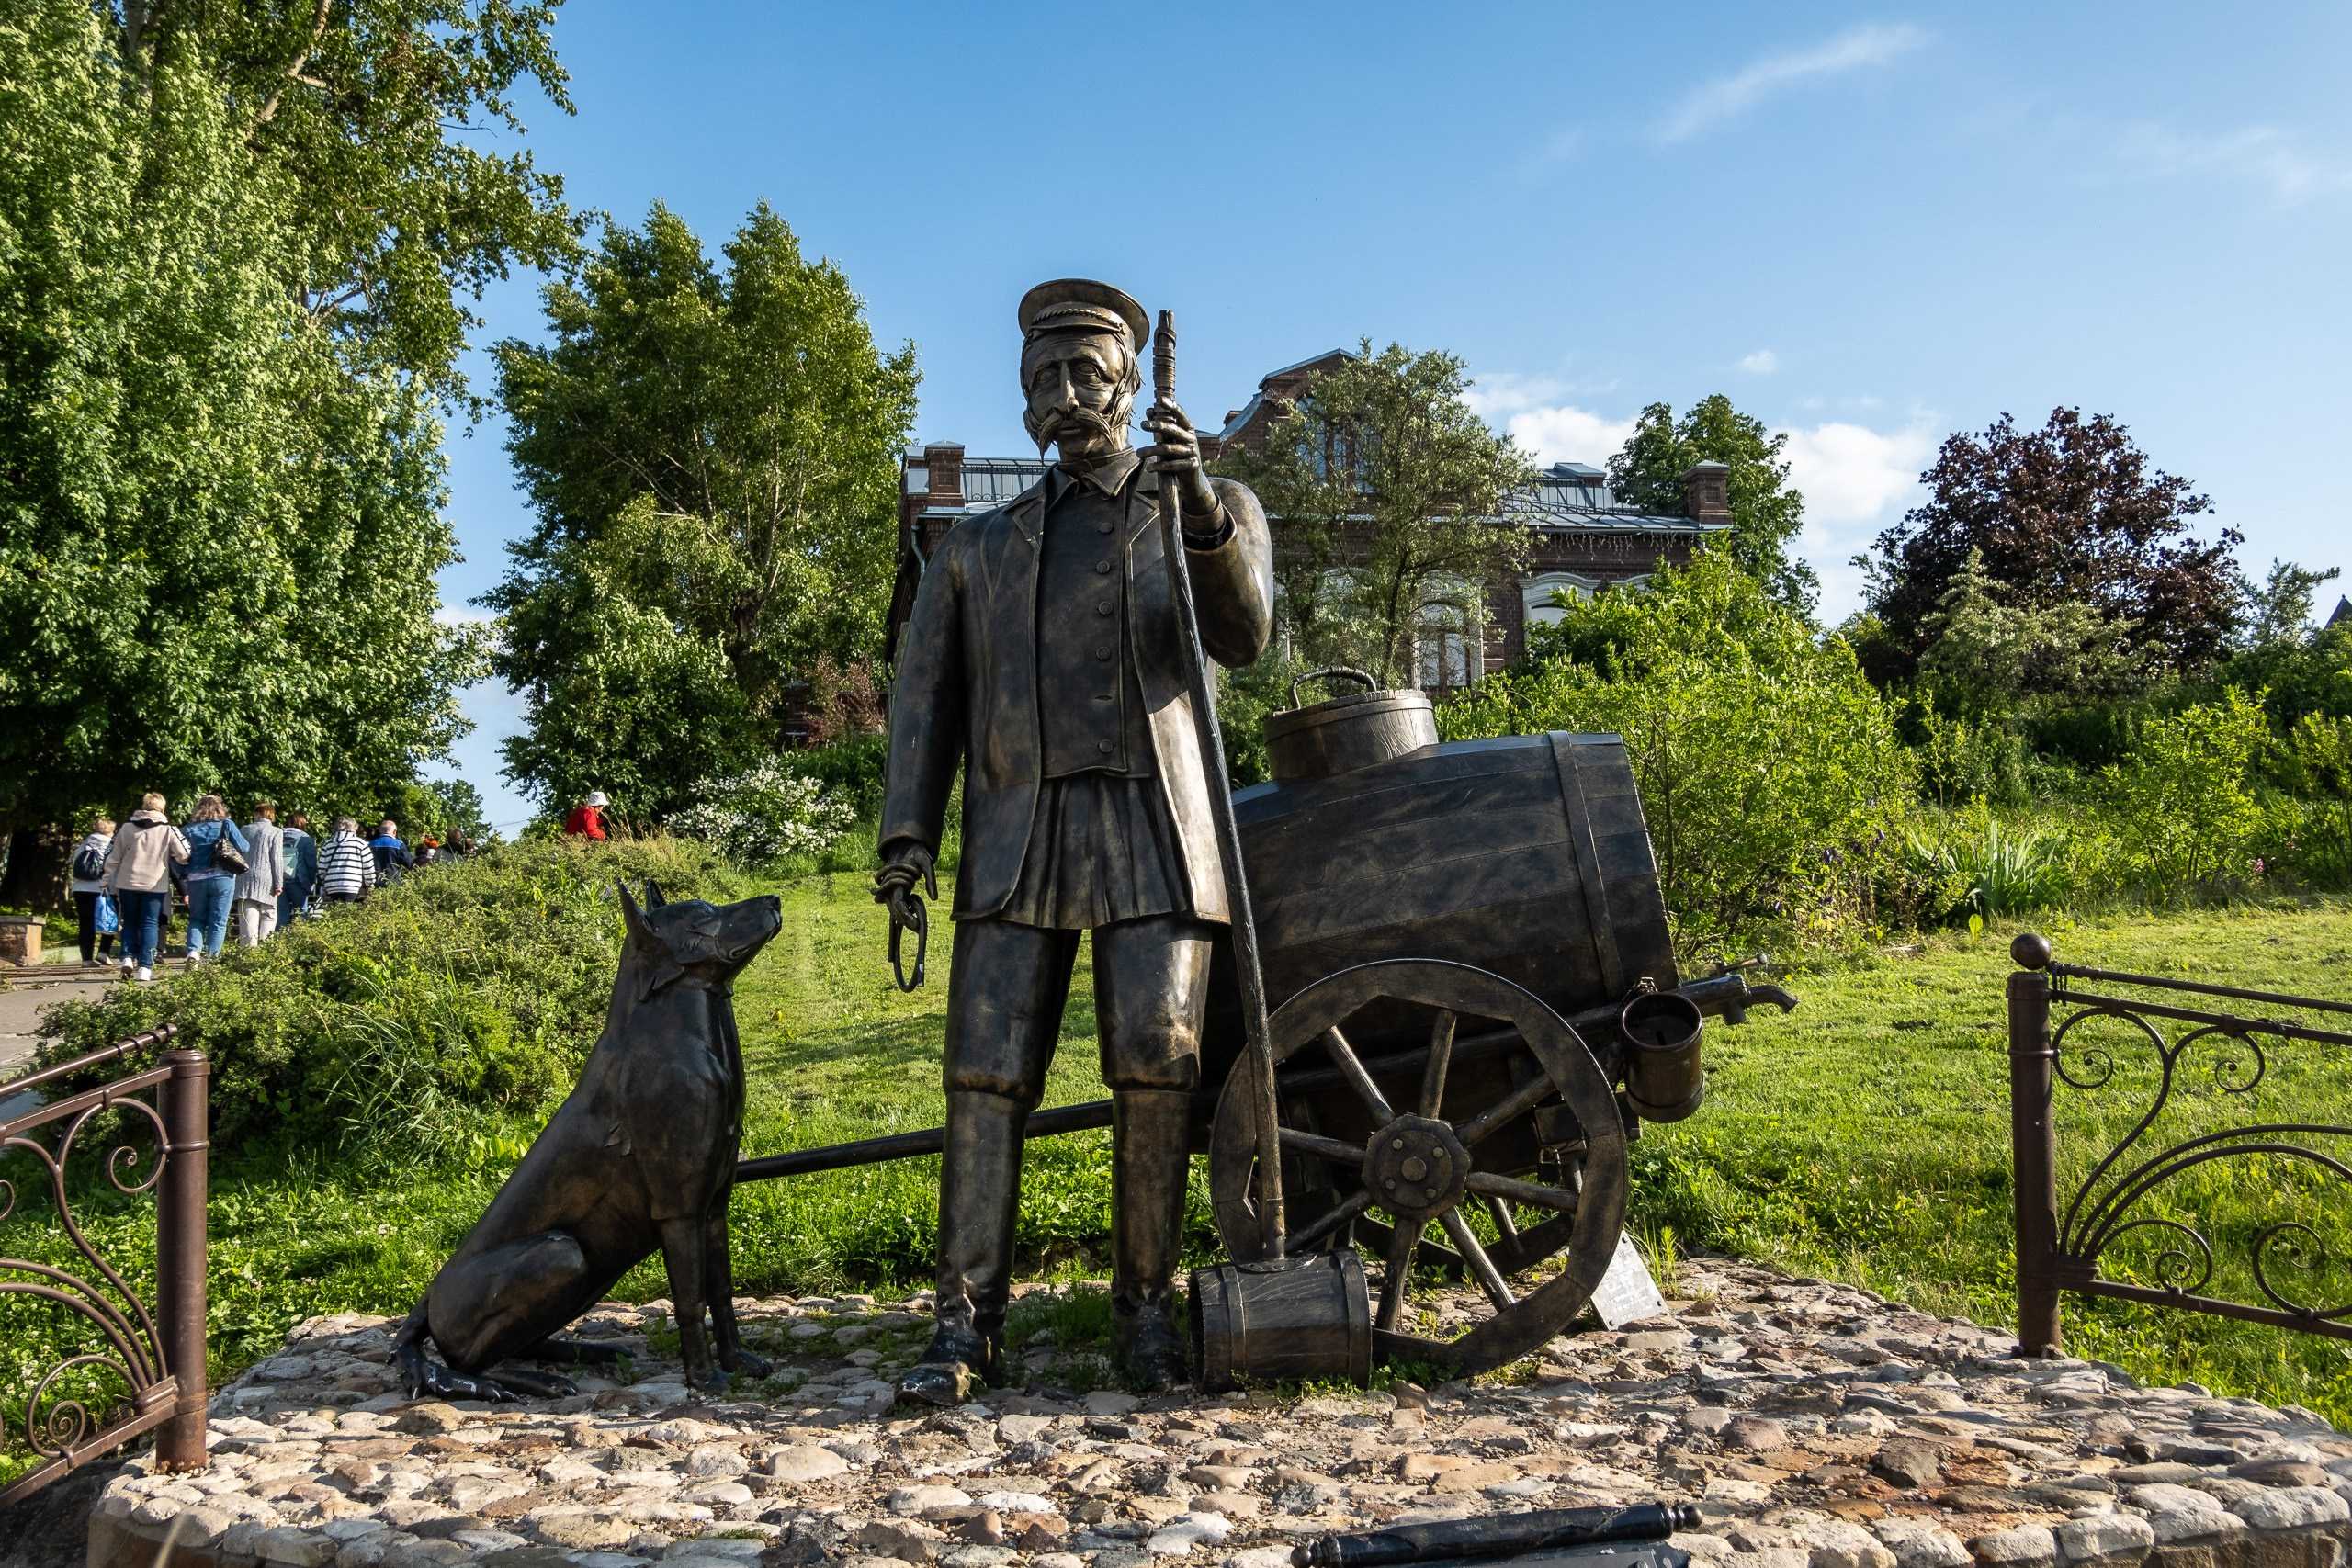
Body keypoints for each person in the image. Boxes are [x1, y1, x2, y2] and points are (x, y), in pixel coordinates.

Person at [877, 279, 1272, 1402]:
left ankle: (1144, 1314)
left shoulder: (1212, 503)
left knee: (1157, 1066)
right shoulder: (972, 547)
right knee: (984, 1072)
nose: (1062, 396)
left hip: (1159, 822)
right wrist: (906, 840)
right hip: (1018, 826)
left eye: (1083, 374)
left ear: (1131, 383)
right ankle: (964, 1329)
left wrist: (1197, 503)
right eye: (1042, 379)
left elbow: (1242, 633)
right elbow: (924, 705)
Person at [101, 794, 189, 983]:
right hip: (155, 885)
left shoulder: (126, 828)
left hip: (127, 883)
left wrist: (104, 881)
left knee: (130, 922)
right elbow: (184, 854)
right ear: (162, 809)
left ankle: (126, 958)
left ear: (143, 807)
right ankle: (145, 968)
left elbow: (112, 857)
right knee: (150, 923)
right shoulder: (168, 830)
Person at [179, 795, 250, 964]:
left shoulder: (188, 830)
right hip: (222, 877)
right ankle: (210, 961)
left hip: (195, 879)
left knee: (197, 918)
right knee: (218, 922)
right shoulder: (226, 824)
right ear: (220, 809)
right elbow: (244, 847)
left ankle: (193, 953)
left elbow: (180, 856)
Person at [68, 816, 119, 967]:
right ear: (108, 830)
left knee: (86, 923)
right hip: (103, 889)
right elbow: (114, 867)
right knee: (110, 919)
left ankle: (86, 959)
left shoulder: (83, 844)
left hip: (80, 889)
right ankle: (103, 952)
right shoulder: (111, 845)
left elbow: (74, 863)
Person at [234, 801, 286, 947]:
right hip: (267, 879)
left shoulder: (244, 829)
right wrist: (279, 883)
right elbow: (276, 858)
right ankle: (265, 949)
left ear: (257, 814)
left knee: (248, 917)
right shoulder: (276, 832)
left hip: (244, 878)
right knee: (269, 914)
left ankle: (248, 951)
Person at [316, 818, 374, 905]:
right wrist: (370, 884)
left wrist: (325, 881)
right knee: (347, 913)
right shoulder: (360, 843)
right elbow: (368, 867)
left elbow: (321, 868)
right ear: (354, 827)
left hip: (331, 885)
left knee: (337, 912)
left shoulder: (328, 844)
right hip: (351, 884)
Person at [279, 811, 318, 925]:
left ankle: (279, 941)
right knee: (300, 912)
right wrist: (312, 881)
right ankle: (298, 940)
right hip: (299, 880)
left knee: (281, 914)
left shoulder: (277, 835)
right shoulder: (306, 839)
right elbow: (311, 863)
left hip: (278, 880)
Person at [369, 818, 413, 887]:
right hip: (393, 882)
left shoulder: (371, 844)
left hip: (375, 882)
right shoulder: (399, 844)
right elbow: (409, 863)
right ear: (395, 831)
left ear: (380, 831)